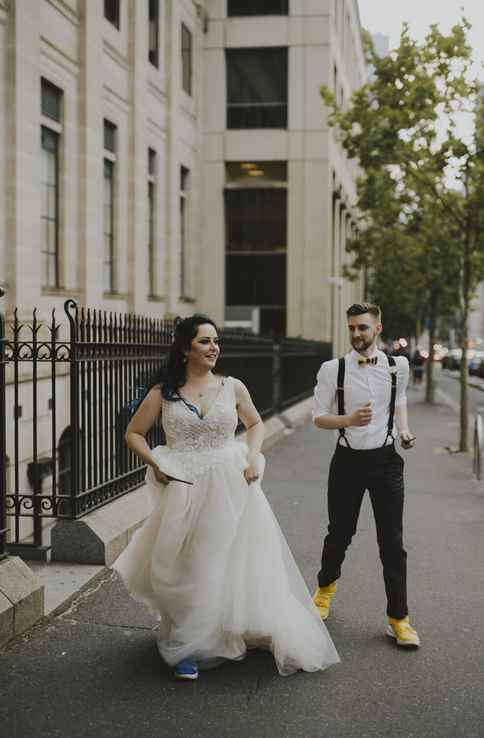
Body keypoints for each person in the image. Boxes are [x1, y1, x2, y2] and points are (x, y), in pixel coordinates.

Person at [113, 314, 339, 680]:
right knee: (186, 565)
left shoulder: (232, 386)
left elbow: (255, 424)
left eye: (216, 341)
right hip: (184, 485)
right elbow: (134, 433)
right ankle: (187, 642)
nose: (214, 347)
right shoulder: (162, 393)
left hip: (230, 482)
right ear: (186, 347)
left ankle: (226, 627)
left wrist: (252, 456)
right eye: (205, 341)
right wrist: (155, 461)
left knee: (227, 560)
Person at [311, 303, 420, 648]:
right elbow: (317, 416)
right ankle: (325, 589)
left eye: (363, 327)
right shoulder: (334, 369)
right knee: (339, 534)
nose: (357, 334)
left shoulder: (397, 366)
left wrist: (404, 430)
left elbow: (399, 399)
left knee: (392, 543)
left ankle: (399, 619)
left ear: (377, 329)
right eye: (352, 328)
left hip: (386, 462)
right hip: (347, 461)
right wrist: (347, 421)